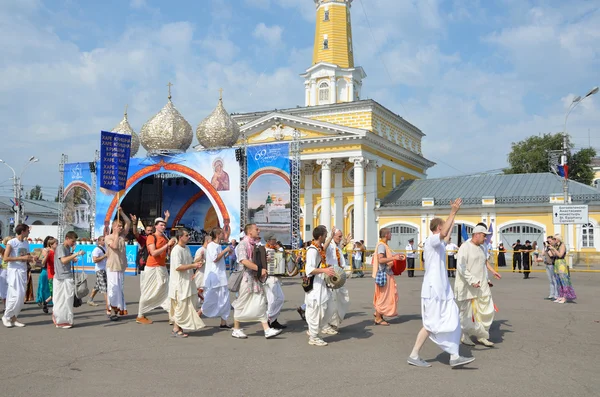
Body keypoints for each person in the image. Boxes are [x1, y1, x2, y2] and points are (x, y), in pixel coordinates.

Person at [407, 199, 475, 368]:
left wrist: (455, 214)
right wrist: (451, 212)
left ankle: (454, 356)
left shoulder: (441, 245)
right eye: (443, 226)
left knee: (453, 320)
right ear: (438, 228)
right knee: (430, 325)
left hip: (443, 291)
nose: (446, 229)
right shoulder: (431, 241)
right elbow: (444, 233)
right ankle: (414, 355)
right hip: (433, 291)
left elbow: (447, 232)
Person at [231, 224, 282, 339]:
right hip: (246, 279)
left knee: (260, 302)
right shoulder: (243, 244)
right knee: (241, 302)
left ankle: (267, 329)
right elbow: (244, 260)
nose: (259, 231)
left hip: (255, 279)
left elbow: (255, 260)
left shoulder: (254, 245)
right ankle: (236, 328)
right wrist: (259, 269)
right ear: (249, 232)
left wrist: (264, 260)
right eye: (256, 229)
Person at [455, 225, 498, 347]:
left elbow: (482, 266)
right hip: (468, 286)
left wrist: (487, 279)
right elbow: (461, 267)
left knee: (485, 310)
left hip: (481, 286)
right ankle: (465, 335)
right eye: (484, 236)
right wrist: (472, 280)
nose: (485, 239)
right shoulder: (465, 247)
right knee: (467, 314)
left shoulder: (481, 248)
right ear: (477, 234)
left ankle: (482, 335)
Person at [136, 217, 174, 325]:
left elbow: (169, 254)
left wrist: (172, 247)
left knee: (166, 291)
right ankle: (140, 315)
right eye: (161, 225)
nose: (163, 227)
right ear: (156, 226)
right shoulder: (151, 237)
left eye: (164, 225)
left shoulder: (166, 238)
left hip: (162, 268)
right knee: (148, 291)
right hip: (152, 267)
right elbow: (153, 253)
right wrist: (167, 245)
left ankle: (171, 315)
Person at [169, 228, 206, 338]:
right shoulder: (176, 250)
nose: (189, 237)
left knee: (186, 306)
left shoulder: (187, 248)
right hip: (179, 283)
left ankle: (179, 328)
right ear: (180, 237)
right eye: (186, 235)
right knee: (181, 306)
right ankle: (176, 329)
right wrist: (193, 266)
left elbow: (190, 262)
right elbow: (178, 267)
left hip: (187, 282)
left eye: (189, 235)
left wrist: (198, 261)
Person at [304, 225, 337, 347]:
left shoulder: (318, 248)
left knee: (327, 308)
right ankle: (313, 336)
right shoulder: (312, 251)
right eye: (325, 235)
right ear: (320, 236)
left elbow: (324, 248)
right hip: (315, 285)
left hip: (321, 284)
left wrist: (331, 237)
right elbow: (309, 269)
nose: (326, 237)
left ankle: (315, 332)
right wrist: (325, 271)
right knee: (316, 310)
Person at [200, 227, 233, 328]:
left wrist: (227, 254)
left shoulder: (218, 245)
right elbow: (215, 259)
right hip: (215, 277)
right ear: (218, 235)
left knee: (225, 299)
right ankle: (197, 314)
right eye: (222, 233)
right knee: (211, 298)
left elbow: (220, 260)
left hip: (221, 276)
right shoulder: (211, 245)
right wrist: (225, 250)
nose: (224, 235)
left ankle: (223, 322)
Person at [2, 224, 33, 328]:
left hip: (23, 271)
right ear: (23, 231)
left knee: (21, 297)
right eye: (28, 230)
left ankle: (14, 318)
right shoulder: (11, 242)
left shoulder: (26, 242)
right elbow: (5, 258)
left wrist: (32, 258)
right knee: (15, 295)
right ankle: (6, 316)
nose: (29, 232)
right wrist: (20, 258)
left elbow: (27, 256)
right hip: (13, 271)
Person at [372, 228, 405, 326]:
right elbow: (381, 260)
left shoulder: (384, 245)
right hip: (385, 274)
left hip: (386, 274)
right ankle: (378, 317)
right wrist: (394, 258)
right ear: (386, 235)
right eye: (390, 233)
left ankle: (378, 313)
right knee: (384, 296)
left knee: (383, 296)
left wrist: (395, 256)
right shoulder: (382, 245)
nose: (391, 235)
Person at [53, 231, 85, 329]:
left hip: (67, 276)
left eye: (74, 242)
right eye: (72, 241)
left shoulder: (67, 248)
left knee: (68, 300)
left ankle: (66, 320)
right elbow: (63, 260)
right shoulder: (61, 247)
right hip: (61, 278)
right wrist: (76, 254)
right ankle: (60, 320)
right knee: (61, 300)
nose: (73, 243)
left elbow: (66, 259)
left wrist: (72, 257)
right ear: (67, 238)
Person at [105, 209, 131, 321]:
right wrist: (115, 234)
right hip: (112, 266)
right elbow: (114, 246)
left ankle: (118, 309)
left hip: (120, 266)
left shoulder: (122, 236)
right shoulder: (108, 237)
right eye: (118, 226)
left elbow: (128, 222)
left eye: (121, 226)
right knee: (113, 289)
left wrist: (121, 213)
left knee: (119, 289)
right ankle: (111, 311)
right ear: (114, 226)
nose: (121, 228)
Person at [323, 228, 350, 332]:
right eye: (339, 236)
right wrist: (330, 237)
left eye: (341, 236)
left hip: (339, 276)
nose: (341, 238)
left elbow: (337, 255)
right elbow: (324, 249)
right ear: (333, 236)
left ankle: (333, 322)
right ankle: (329, 324)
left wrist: (344, 244)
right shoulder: (329, 245)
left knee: (343, 299)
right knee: (332, 301)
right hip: (332, 276)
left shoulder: (337, 246)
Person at [264, 234, 286, 330]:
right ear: (269, 241)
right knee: (279, 299)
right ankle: (268, 318)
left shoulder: (275, 250)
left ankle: (273, 321)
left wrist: (280, 249)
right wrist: (266, 260)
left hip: (274, 278)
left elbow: (283, 257)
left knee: (272, 300)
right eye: (274, 239)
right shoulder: (265, 250)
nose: (276, 241)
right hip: (269, 277)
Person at [547, 234, 576, 304]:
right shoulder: (556, 246)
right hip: (556, 263)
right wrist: (551, 249)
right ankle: (560, 295)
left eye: (554, 239)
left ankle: (565, 296)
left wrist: (553, 249)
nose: (553, 240)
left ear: (558, 239)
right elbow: (554, 255)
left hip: (561, 263)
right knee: (558, 281)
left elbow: (560, 255)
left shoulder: (562, 245)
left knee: (563, 281)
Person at [88, 236, 109, 315]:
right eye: (103, 240)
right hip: (99, 270)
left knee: (97, 286)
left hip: (105, 269)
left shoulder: (106, 248)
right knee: (104, 287)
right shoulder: (97, 249)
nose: (105, 241)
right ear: (99, 242)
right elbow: (95, 260)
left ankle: (90, 299)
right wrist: (104, 256)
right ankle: (108, 305)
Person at [36, 236, 53, 314]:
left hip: (51, 270)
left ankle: (48, 301)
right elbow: (42, 262)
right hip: (45, 270)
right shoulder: (45, 250)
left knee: (50, 287)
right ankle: (42, 300)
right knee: (43, 286)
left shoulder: (53, 250)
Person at [193, 234, 210, 306]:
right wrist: (201, 258)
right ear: (207, 241)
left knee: (205, 289)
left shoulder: (209, 250)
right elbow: (195, 261)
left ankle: (203, 304)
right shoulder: (200, 250)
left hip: (207, 272)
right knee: (199, 288)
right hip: (201, 272)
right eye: (211, 240)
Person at [543, 236, 559, 300]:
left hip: (552, 264)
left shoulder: (554, 247)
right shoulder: (548, 247)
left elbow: (552, 255)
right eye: (548, 241)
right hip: (547, 264)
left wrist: (550, 248)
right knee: (550, 280)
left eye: (550, 241)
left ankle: (556, 295)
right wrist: (545, 247)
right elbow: (543, 253)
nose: (549, 242)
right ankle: (551, 295)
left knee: (554, 280)